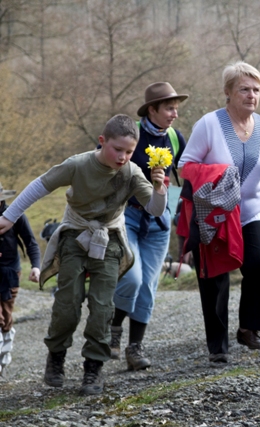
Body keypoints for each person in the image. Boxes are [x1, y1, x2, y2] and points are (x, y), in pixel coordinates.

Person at [0, 114, 167, 395]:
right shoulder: (78, 165)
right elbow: (40, 185)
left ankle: (94, 368)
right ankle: (56, 357)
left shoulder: (133, 173)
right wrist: (9, 215)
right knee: (68, 304)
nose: (123, 157)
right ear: (102, 142)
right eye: (118, 149)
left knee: (102, 307)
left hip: (110, 239)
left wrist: (160, 189)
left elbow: (155, 209)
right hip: (75, 235)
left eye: (129, 151)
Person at [178, 61, 260, 364]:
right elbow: (184, 166)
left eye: (256, 90)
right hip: (215, 213)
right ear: (228, 92)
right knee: (216, 277)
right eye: (244, 89)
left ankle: (248, 327)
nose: (251, 95)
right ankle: (218, 345)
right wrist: (220, 172)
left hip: (252, 211)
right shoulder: (209, 124)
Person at [109, 82, 188, 371]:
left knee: (149, 287)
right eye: (169, 108)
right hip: (127, 217)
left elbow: (187, 172)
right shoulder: (132, 135)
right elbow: (103, 159)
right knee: (132, 278)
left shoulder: (175, 138)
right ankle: (114, 330)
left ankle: (135, 348)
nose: (174, 114)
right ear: (152, 109)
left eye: (176, 108)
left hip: (160, 220)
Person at [0, 183, 41, 376]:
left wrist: (35, 266)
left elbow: (30, 242)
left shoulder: (14, 215)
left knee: (6, 316)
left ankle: (4, 353)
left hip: (10, 274)